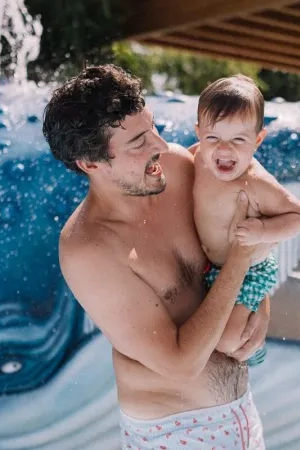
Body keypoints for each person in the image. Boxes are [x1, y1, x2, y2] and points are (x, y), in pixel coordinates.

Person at [42, 64, 271, 449]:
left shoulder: (179, 169)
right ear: (91, 163)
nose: (160, 147)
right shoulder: (89, 249)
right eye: (138, 143)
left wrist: (261, 303)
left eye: (153, 128)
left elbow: (248, 224)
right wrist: (242, 261)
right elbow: (180, 364)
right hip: (176, 435)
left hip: (242, 415)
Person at [192, 75, 300, 364]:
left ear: (258, 140)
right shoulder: (198, 160)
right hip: (214, 268)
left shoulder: (255, 183)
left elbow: (299, 217)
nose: (224, 149)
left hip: (251, 271)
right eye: (213, 138)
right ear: (198, 134)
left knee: (229, 340)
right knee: (209, 332)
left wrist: (262, 230)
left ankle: (257, 354)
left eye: (238, 140)